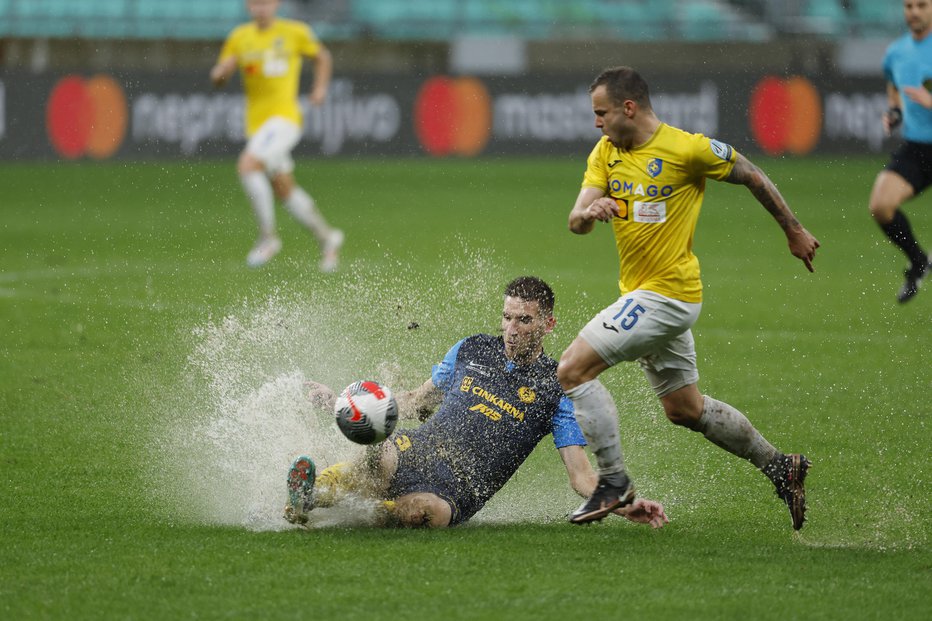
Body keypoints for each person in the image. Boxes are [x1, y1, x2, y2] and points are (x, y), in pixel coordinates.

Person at [556, 66, 821, 530]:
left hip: (669, 296)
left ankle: (613, 480)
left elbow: (753, 175)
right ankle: (781, 466)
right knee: (684, 409)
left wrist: (793, 230)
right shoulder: (606, 152)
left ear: (628, 108)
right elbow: (575, 221)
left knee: (572, 370)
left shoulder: (687, 149)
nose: (596, 122)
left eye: (601, 113)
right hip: (644, 295)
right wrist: (588, 211)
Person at [284, 276, 669, 529]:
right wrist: (342, 402)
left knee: (423, 512)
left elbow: (581, 477)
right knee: (375, 453)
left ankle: (353, 513)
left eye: (524, 321)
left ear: (548, 324)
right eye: (507, 318)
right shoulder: (472, 349)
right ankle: (310, 496)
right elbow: (417, 402)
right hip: (416, 451)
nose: (511, 331)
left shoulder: (558, 388)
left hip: (457, 490)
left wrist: (623, 506)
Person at [210, 0, 343, 271]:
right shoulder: (240, 37)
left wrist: (319, 89)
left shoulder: (294, 32)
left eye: (266, 2)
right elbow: (221, 74)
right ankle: (328, 239)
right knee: (283, 187)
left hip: (284, 120)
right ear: (248, 6)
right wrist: (220, 73)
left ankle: (268, 239)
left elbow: (322, 57)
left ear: (276, 4)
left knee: (248, 165)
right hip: (258, 127)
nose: (261, 8)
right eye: (256, 3)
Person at [868, 0, 932, 303]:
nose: (914, 12)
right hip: (918, 146)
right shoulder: (897, 52)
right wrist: (894, 112)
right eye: (909, 6)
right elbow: (894, 85)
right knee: (881, 205)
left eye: (922, 5)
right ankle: (919, 261)